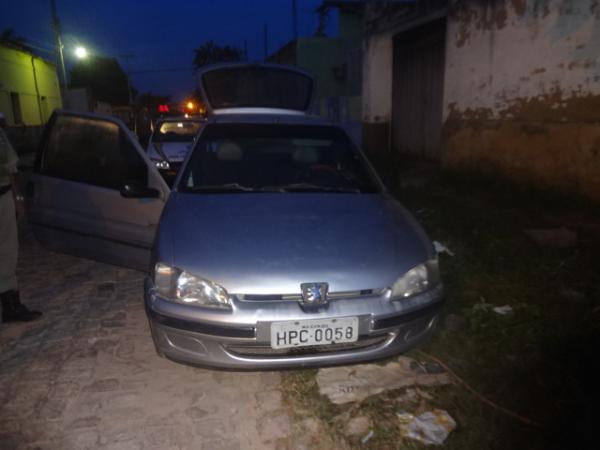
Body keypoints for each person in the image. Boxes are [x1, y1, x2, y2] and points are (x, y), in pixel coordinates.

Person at [0, 112, 42, 322]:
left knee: (8, 251)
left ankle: (10, 305)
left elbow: (11, 168)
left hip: (3, 195)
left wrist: (17, 198)